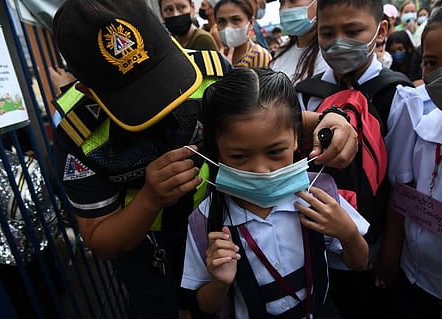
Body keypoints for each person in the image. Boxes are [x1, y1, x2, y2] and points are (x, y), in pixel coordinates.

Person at [51, 0, 359, 318]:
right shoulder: (79, 136)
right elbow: (101, 239)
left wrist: (330, 119)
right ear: (87, 90)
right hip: (153, 258)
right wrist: (150, 199)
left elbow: (263, 119)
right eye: (137, 95)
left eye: (163, 79)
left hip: (224, 233)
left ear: (166, 40)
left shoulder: (207, 70)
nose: (164, 104)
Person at [181, 67, 369, 318]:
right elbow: (205, 305)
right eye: (239, 156)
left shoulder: (319, 195)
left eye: (275, 152)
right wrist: (220, 283)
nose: (261, 170)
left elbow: (359, 262)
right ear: (216, 149)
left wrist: (346, 233)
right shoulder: (206, 221)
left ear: (296, 137)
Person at [298, 0, 414, 318]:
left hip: (370, 252)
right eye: (327, 33)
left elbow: (401, 187)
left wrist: (389, 256)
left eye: (352, 31)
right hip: (312, 250)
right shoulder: (306, 94)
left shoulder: (398, 98)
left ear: (381, 31)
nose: (338, 42)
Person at [378, 0, 442, 318]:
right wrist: (391, 259)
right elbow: (402, 195)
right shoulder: (422, 123)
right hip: (410, 278)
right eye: (431, 63)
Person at [270, 0, 329, 85]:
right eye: (281, 2)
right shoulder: (282, 50)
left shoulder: (329, 55)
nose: (284, 9)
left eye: (293, 0)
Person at [214, 0, 271, 68]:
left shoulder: (259, 56)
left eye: (236, 20)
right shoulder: (217, 56)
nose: (228, 27)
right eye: (221, 21)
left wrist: (228, 69)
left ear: (251, 23)